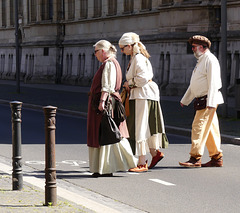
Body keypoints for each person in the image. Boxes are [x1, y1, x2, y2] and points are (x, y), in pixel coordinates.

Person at [118, 32, 169, 172]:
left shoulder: (138, 58)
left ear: (129, 46)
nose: (121, 51)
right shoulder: (137, 58)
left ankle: (142, 162)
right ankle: (154, 153)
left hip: (142, 95)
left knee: (139, 127)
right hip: (143, 95)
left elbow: (143, 78)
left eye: (122, 48)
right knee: (145, 126)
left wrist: (130, 83)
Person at [87, 40, 137, 177]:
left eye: (96, 51)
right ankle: (103, 167)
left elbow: (107, 86)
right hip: (108, 101)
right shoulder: (111, 63)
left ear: (103, 51)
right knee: (108, 133)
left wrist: (102, 101)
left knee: (106, 132)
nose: (95, 55)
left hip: (105, 102)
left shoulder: (109, 64)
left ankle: (106, 167)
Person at [179, 35, 224, 168]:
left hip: (207, 100)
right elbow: (195, 84)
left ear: (202, 48)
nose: (192, 49)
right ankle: (216, 157)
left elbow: (213, 83)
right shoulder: (202, 60)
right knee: (210, 129)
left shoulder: (210, 60)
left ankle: (195, 158)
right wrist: (185, 100)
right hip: (204, 100)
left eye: (194, 47)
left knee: (198, 127)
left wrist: (210, 102)